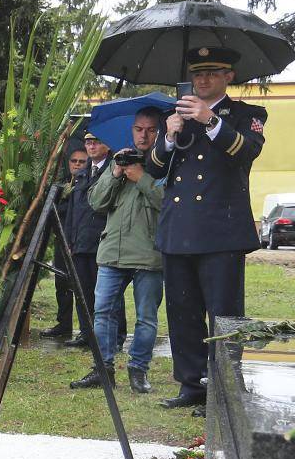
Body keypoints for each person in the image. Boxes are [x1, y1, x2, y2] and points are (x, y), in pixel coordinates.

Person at [144, 46, 266, 411]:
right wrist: (167, 136)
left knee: (224, 314)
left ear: (228, 76)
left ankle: (225, 387)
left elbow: (247, 152)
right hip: (178, 229)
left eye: (212, 73)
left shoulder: (247, 114)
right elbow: (152, 168)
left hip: (221, 231)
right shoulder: (177, 115)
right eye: (198, 74)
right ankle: (191, 384)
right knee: (182, 313)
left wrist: (211, 120)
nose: (203, 79)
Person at [71, 111, 164, 395]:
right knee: (102, 313)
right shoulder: (119, 160)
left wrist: (142, 179)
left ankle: (139, 370)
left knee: (146, 317)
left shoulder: (167, 164)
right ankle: (103, 369)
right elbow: (96, 202)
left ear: (159, 132)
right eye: (138, 129)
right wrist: (115, 173)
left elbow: (169, 203)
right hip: (111, 251)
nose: (143, 135)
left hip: (148, 254)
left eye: (150, 130)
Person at [63, 131, 111, 349]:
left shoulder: (113, 171)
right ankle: (85, 332)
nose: (91, 146)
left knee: (106, 295)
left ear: (107, 146)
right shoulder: (82, 174)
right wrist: (69, 240)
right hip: (81, 242)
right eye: (88, 142)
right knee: (82, 291)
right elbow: (73, 211)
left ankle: (111, 335)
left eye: (96, 141)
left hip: (102, 242)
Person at [39, 148, 88, 340]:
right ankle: (64, 323)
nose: (76, 164)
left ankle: (86, 329)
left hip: (81, 241)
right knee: (61, 282)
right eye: (73, 161)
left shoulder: (88, 182)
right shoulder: (63, 184)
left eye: (81, 161)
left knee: (83, 287)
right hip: (62, 239)